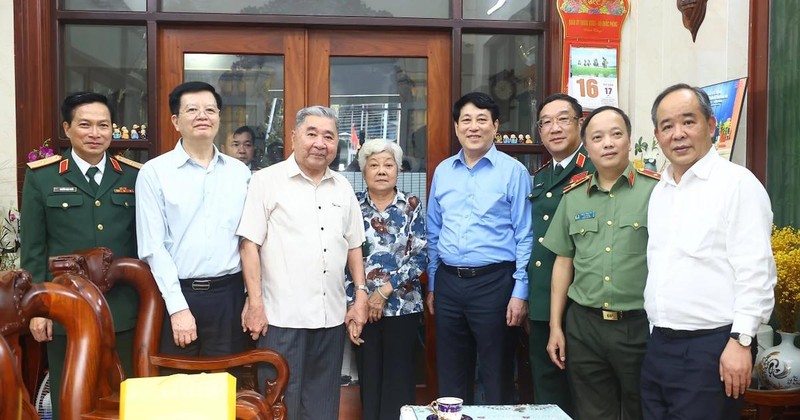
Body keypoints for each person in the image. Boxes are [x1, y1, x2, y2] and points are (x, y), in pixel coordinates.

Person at [641, 83, 776, 419]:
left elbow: (756, 270)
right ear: (657, 135)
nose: (678, 134)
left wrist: (742, 341)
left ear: (711, 126)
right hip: (660, 344)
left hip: (713, 347)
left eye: (689, 122)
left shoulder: (737, 184)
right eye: (667, 126)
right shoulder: (661, 190)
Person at [237, 105, 368, 420]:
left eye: (328, 136)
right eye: (311, 134)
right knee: (281, 406)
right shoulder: (266, 181)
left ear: (337, 144)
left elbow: (354, 245)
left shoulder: (343, 187)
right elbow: (249, 245)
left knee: (323, 407)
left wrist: (361, 294)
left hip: (331, 318)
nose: (320, 143)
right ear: (294, 137)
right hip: (282, 318)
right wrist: (254, 303)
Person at [21, 91, 141, 419]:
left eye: (104, 125)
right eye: (85, 124)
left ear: (113, 130)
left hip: (123, 309)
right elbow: (33, 249)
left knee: (124, 396)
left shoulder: (133, 176)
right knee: (69, 394)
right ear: (67, 129)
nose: (95, 133)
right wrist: (38, 309)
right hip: (65, 310)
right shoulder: (42, 177)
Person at [543, 106, 658, 420]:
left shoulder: (657, 192)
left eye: (616, 134)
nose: (607, 143)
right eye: (597, 137)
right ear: (587, 147)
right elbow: (563, 262)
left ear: (629, 140)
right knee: (593, 413)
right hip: (585, 326)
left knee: (643, 410)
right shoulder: (574, 196)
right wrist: (556, 326)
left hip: (639, 325)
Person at [427, 92, 533, 404]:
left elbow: (525, 234)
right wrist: (434, 283)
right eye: (467, 120)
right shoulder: (444, 171)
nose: (474, 127)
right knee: (450, 373)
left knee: (496, 372)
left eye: (482, 120)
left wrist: (520, 291)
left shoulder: (514, 172)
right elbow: (434, 230)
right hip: (448, 283)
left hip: (495, 283)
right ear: (457, 127)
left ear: (495, 126)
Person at [135, 81, 252, 362]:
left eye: (210, 109)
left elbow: (250, 240)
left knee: (228, 389)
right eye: (192, 110)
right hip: (178, 295)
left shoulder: (240, 173)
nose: (203, 116)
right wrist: (177, 308)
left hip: (230, 296)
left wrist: (252, 297)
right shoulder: (154, 173)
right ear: (176, 121)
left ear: (219, 118)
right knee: (180, 392)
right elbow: (153, 247)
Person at [344, 139, 427, 420]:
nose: (381, 171)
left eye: (388, 165)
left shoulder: (411, 206)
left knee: (400, 379)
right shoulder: (351, 205)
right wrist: (358, 300)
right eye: (374, 165)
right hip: (362, 307)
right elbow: (340, 258)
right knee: (369, 378)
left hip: (403, 307)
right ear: (363, 171)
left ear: (398, 170)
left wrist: (385, 291)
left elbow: (420, 256)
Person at [526, 93, 593, 415]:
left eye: (563, 119)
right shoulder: (540, 178)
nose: (554, 128)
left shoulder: (596, 170)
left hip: (582, 302)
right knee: (548, 393)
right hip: (542, 302)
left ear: (580, 123)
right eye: (546, 122)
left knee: (586, 393)